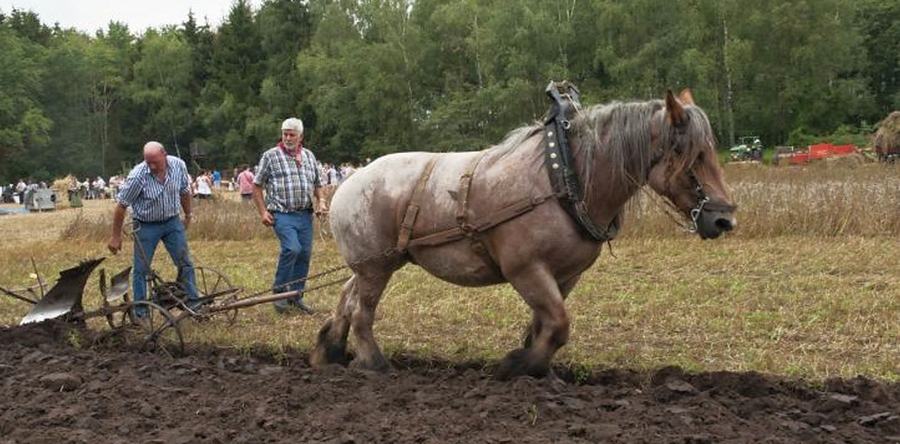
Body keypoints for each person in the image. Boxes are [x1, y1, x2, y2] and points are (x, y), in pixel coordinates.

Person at [107, 141, 200, 319]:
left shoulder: (179, 166)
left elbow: (184, 192)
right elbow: (121, 206)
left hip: (172, 222)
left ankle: (194, 302)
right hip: (146, 225)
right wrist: (115, 237)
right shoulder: (138, 176)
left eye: (155, 162)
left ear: (165, 155)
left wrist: (188, 215)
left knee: (185, 262)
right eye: (148, 162)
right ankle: (141, 312)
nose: (151, 166)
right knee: (141, 269)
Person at [252, 117, 327, 314]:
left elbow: (318, 184)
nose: (287, 138)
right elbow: (256, 185)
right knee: (292, 249)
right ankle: (279, 294)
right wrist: (263, 211)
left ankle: (296, 295)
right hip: (282, 214)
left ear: (300, 136)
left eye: (291, 134)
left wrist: (321, 201)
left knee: (304, 254)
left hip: (305, 214)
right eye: (284, 134)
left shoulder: (309, 156)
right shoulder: (270, 156)